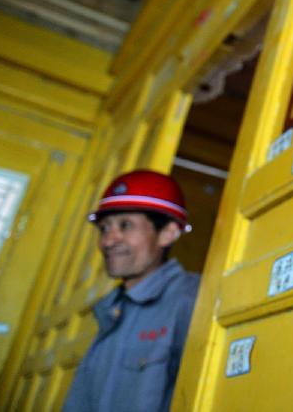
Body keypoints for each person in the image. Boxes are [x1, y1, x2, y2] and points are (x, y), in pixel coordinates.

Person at [63, 170, 200, 412]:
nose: (108, 241)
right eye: (104, 228)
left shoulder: (194, 299)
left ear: (168, 233)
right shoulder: (111, 309)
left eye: (125, 225)